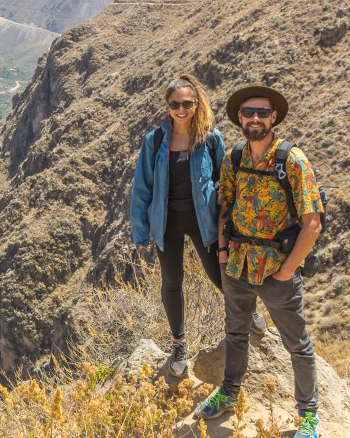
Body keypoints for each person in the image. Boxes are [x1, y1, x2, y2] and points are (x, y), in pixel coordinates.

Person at [193, 85, 324, 438]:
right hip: (237, 264)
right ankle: (230, 393)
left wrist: (286, 271)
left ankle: (308, 415)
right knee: (235, 333)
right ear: (239, 117)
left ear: (273, 118)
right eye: (248, 112)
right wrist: (222, 254)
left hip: (275, 269)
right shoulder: (235, 158)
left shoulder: (292, 161)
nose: (255, 119)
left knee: (296, 343)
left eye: (262, 113)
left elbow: (312, 223)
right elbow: (225, 208)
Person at [129, 75, 265, 378]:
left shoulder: (210, 138)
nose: (181, 109)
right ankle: (179, 344)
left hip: (203, 219)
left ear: (196, 104)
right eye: (175, 104)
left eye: (187, 103)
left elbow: (225, 179)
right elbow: (142, 188)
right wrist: (140, 232)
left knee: (220, 273)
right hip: (166, 222)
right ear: (167, 106)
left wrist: (230, 219)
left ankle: (248, 310)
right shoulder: (154, 142)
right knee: (172, 281)